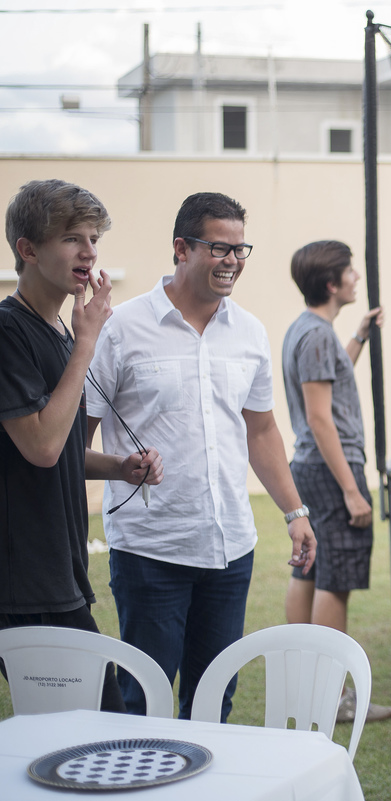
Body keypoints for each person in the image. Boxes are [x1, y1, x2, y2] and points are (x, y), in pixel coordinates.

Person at [86, 192, 317, 721]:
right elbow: (78, 439)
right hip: (151, 550)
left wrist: (295, 511)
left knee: (216, 701)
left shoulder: (251, 332)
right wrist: (122, 467)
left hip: (230, 549)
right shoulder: (120, 328)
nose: (232, 261)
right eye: (219, 248)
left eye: (240, 249)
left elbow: (260, 432)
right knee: (143, 698)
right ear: (181, 248)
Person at [0, 179, 162, 711]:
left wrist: (120, 466)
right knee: (99, 729)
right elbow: (42, 447)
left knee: (76, 738)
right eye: (73, 238)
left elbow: (60, 448)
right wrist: (88, 342)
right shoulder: (9, 332)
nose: (90, 252)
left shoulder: (60, 332)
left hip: (58, 570)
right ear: (28, 249)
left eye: (94, 238)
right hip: (24, 582)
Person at [281, 240, 391, 724]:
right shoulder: (318, 336)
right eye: (350, 272)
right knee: (335, 579)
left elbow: (332, 376)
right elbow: (320, 418)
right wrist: (351, 488)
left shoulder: (307, 331)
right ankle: (334, 699)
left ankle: (304, 688)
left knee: (306, 570)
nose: (356, 278)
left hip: (309, 467)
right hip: (332, 468)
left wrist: (360, 335)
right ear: (332, 283)